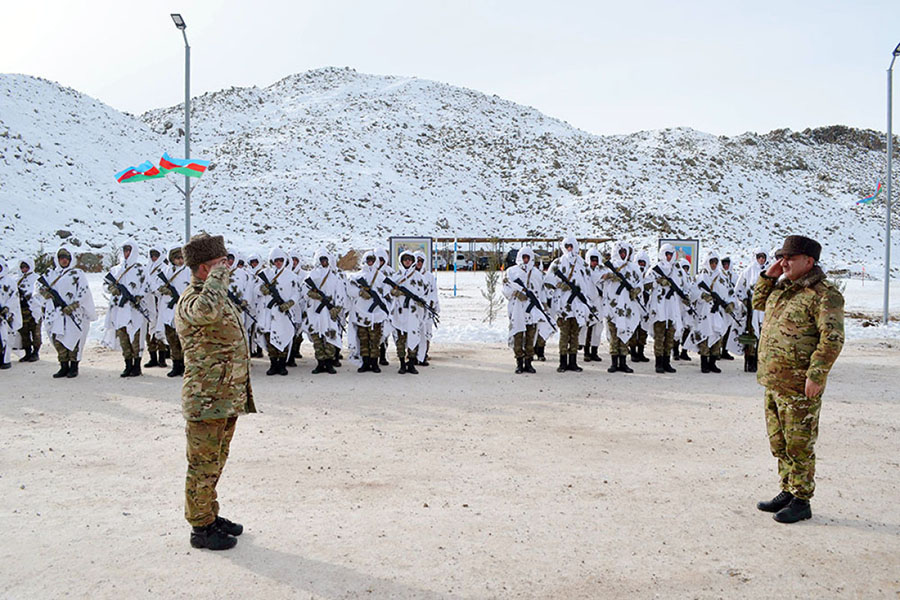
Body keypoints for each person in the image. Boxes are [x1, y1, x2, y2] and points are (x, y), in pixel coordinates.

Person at [753, 235, 843, 524]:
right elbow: (757, 303)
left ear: (809, 261)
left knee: (799, 443)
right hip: (774, 380)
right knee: (779, 442)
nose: (784, 262)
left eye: (790, 258)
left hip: (799, 384)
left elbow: (832, 339)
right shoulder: (783, 288)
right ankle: (787, 489)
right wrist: (769, 276)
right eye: (782, 257)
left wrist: (816, 375)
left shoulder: (825, 294)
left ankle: (802, 499)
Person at [176, 233, 256, 550]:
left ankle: (209, 515)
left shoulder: (214, 295)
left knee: (216, 462)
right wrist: (219, 276)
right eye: (221, 264)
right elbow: (207, 312)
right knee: (202, 465)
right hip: (205, 399)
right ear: (205, 270)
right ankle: (200, 529)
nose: (228, 268)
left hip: (223, 397)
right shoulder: (192, 301)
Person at [37, 246, 96, 378]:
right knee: (58, 339)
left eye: (66, 258)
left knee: (73, 338)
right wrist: (44, 294)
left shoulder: (77, 274)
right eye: (61, 258)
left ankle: (74, 367)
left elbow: (84, 292)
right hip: (55, 313)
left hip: (72, 312)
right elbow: (39, 287)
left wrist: (73, 305)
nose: (64, 260)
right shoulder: (50, 274)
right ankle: (63, 366)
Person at [545, 236, 598, 373]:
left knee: (575, 333)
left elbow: (588, 281)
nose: (569, 249)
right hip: (563, 304)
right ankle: (563, 362)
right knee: (564, 334)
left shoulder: (582, 264)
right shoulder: (558, 263)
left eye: (571, 246)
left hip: (578, 304)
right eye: (567, 246)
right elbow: (548, 280)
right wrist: (559, 285)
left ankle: (573, 361)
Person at [103, 239, 150, 377]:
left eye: (129, 250)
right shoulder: (116, 270)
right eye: (125, 250)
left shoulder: (140, 270)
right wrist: (112, 288)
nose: (127, 253)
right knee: (123, 337)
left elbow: (147, 286)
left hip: (134, 309)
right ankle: (127, 364)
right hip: (119, 309)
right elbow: (105, 284)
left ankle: (136, 365)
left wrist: (138, 297)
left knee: (136, 338)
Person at [501, 247, 552, 374]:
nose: (525, 260)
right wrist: (516, 293)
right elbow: (505, 288)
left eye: (527, 257)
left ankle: (529, 362)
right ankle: (519, 362)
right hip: (517, 308)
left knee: (531, 337)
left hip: (532, 310)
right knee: (518, 336)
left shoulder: (537, 273)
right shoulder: (511, 272)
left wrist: (544, 305)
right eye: (523, 257)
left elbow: (541, 290)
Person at [642, 244, 689, 374]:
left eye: (670, 254)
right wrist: (658, 282)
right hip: (659, 307)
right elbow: (645, 285)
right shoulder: (655, 269)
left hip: (672, 307)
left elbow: (686, 285)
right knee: (659, 336)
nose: (669, 257)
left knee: (670, 336)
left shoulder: (677, 270)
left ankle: (667, 362)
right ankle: (658, 363)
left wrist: (686, 296)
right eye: (666, 254)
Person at [689, 251, 735, 374]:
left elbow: (729, 293)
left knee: (717, 335)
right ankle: (704, 364)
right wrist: (702, 295)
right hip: (704, 311)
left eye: (715, 262)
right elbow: (692, 291)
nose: (714, 265)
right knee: (704, 336)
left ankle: (713, 363)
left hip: (718, 312)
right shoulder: (701, 277)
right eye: (711, 262)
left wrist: (730, 304)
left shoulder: (722, 278)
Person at [601, 241, 642, 373]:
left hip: (626, 307)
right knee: (614, 335)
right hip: (612, 306)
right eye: (621, 252)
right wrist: (609, 276)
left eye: (625, 252)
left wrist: (636, 290)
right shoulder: (609, 266)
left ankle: (623, 362)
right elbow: (597, 277)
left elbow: (640, 282)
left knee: (625, 332)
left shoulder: (632, 268)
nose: (623, 254)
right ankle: (614, 363)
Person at [347, 250, 391, 373]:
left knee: (375, 340)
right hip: (361, 312)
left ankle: (374, 363)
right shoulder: (357, 276)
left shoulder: (381, 277)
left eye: (372, 260)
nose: (370, 263)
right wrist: (360, 292)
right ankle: (365, 363)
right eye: (368, 260)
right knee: (363, 339)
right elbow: (350, 289)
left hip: (376, 314)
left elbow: (387, 291)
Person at [304, 248, 347, 375]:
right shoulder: (311, 276)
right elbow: (304, 292)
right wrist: (315, 296)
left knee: (330, 338)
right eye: (321, 259)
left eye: (325, 260)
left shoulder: (334, 277)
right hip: (315, 312)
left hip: (329, 313)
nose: (323, 262)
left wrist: (336, 309)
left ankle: (329, 363)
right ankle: (320, 363)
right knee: (317, 339)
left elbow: (340, 294)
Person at [259, 248, 299, 376]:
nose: (278, 263)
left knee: (284, 337)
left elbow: (297, 293)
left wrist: (289, 304)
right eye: (276, 260)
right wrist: (262, 289)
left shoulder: (291, 276)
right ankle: (273, 364)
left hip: (283, 313)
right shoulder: (266, 274)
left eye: (281, 260)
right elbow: (255, 290)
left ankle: (282, 365)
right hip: (270, 314)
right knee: (270, 340)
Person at [389, 250, 427, 374]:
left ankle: (411, 364)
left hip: (413, 314)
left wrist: (419, 299)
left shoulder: (418, 277)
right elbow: (387, 291)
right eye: (405, 259)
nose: (407, 261)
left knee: (413, 338)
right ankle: (401, 364)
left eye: (409, 259)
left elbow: (423, 292)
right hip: (399, 314)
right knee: (400, 341)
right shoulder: (395, 277)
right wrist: (394, 293)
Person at [156, 246, 191, 377]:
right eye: (177, 258)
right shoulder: (166, 271)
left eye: (182, 258)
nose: (180, 261)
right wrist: (164, 290)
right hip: (168, 309)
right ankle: (176, 364)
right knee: (171, 339)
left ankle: (185, 365)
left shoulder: (188, 271)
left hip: (183, 308)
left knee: (183, 339)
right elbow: (155, 283)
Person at [734, 248, 769, 372]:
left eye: (763, 257)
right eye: (759, 257)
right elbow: (738, 289)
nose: (761, 259)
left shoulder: (769, 270)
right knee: (751, 334)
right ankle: (750, 361)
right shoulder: (748, 270)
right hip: (752, 308)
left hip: (765, 308)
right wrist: (745, 301)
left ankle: (761, 362)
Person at [143, 245, 169, 369]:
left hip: (159, 301)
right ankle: (152, 356)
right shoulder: (146, 269)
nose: (154, 258)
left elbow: (165, 284)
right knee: (149, 330)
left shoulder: (165, 269)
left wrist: (157, 289)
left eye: (156, 255)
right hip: (148, 301)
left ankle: (162, 357)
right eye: (152, 255)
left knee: (160, 329)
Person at [414, 251, 440, 366]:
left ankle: (423, 355)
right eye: (417, 260)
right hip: (414, 309)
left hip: (427, 308)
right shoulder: (410, 275)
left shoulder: (429, 276)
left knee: (426, 333)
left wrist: (432, 304)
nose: (419, 263)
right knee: (414, 332)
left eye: (421, 261)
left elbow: (434, 292)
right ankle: (413, 355)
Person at [15, 258, 43, 362]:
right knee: (24, 333)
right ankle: (27, 352)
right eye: (22, 267)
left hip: (34, 310)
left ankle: (35, 352)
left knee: (35, 331)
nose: (24, 269)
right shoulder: (17, 280)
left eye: (26, 267)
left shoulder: (37, 279)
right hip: (22, 310)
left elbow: (39, 294)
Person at [628, 249, 652, 363]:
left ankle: (641, 352)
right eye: (639, 262)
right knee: (633, 330)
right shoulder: (633, 274)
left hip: (646, 306)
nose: (641, 265)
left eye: (643, 263)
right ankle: (633, 352)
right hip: (635, 305)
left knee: (643, 331)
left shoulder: (650, 275)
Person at [0, 260, 23, 370]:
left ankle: (5, 360)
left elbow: (14, 297)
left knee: (6, 338)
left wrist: (7, 308)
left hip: (6, 316)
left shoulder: (9, 282)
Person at [375, 248, 394, 366]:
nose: (380, 262)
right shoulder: (370, 272)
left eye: (382, 260)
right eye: (378, 259)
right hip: (372, 307)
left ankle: (382, 355)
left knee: (384, 332)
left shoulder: (390, 272)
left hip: (385, 306)